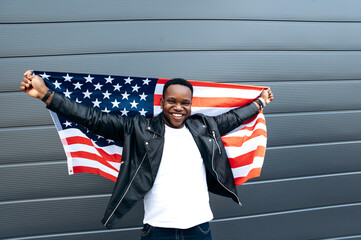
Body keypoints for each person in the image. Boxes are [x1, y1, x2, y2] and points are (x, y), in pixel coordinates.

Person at [20, 70, 274, 240]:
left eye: (185, 103)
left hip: (200, 227)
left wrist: (260, 102)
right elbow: (92, 118)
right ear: (162, 103)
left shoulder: (204, 127)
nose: (178, 107)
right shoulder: (138, 129)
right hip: (157, 230)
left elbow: (234, 118)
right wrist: (46, 95)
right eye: (172, 101)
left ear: (191, 105)